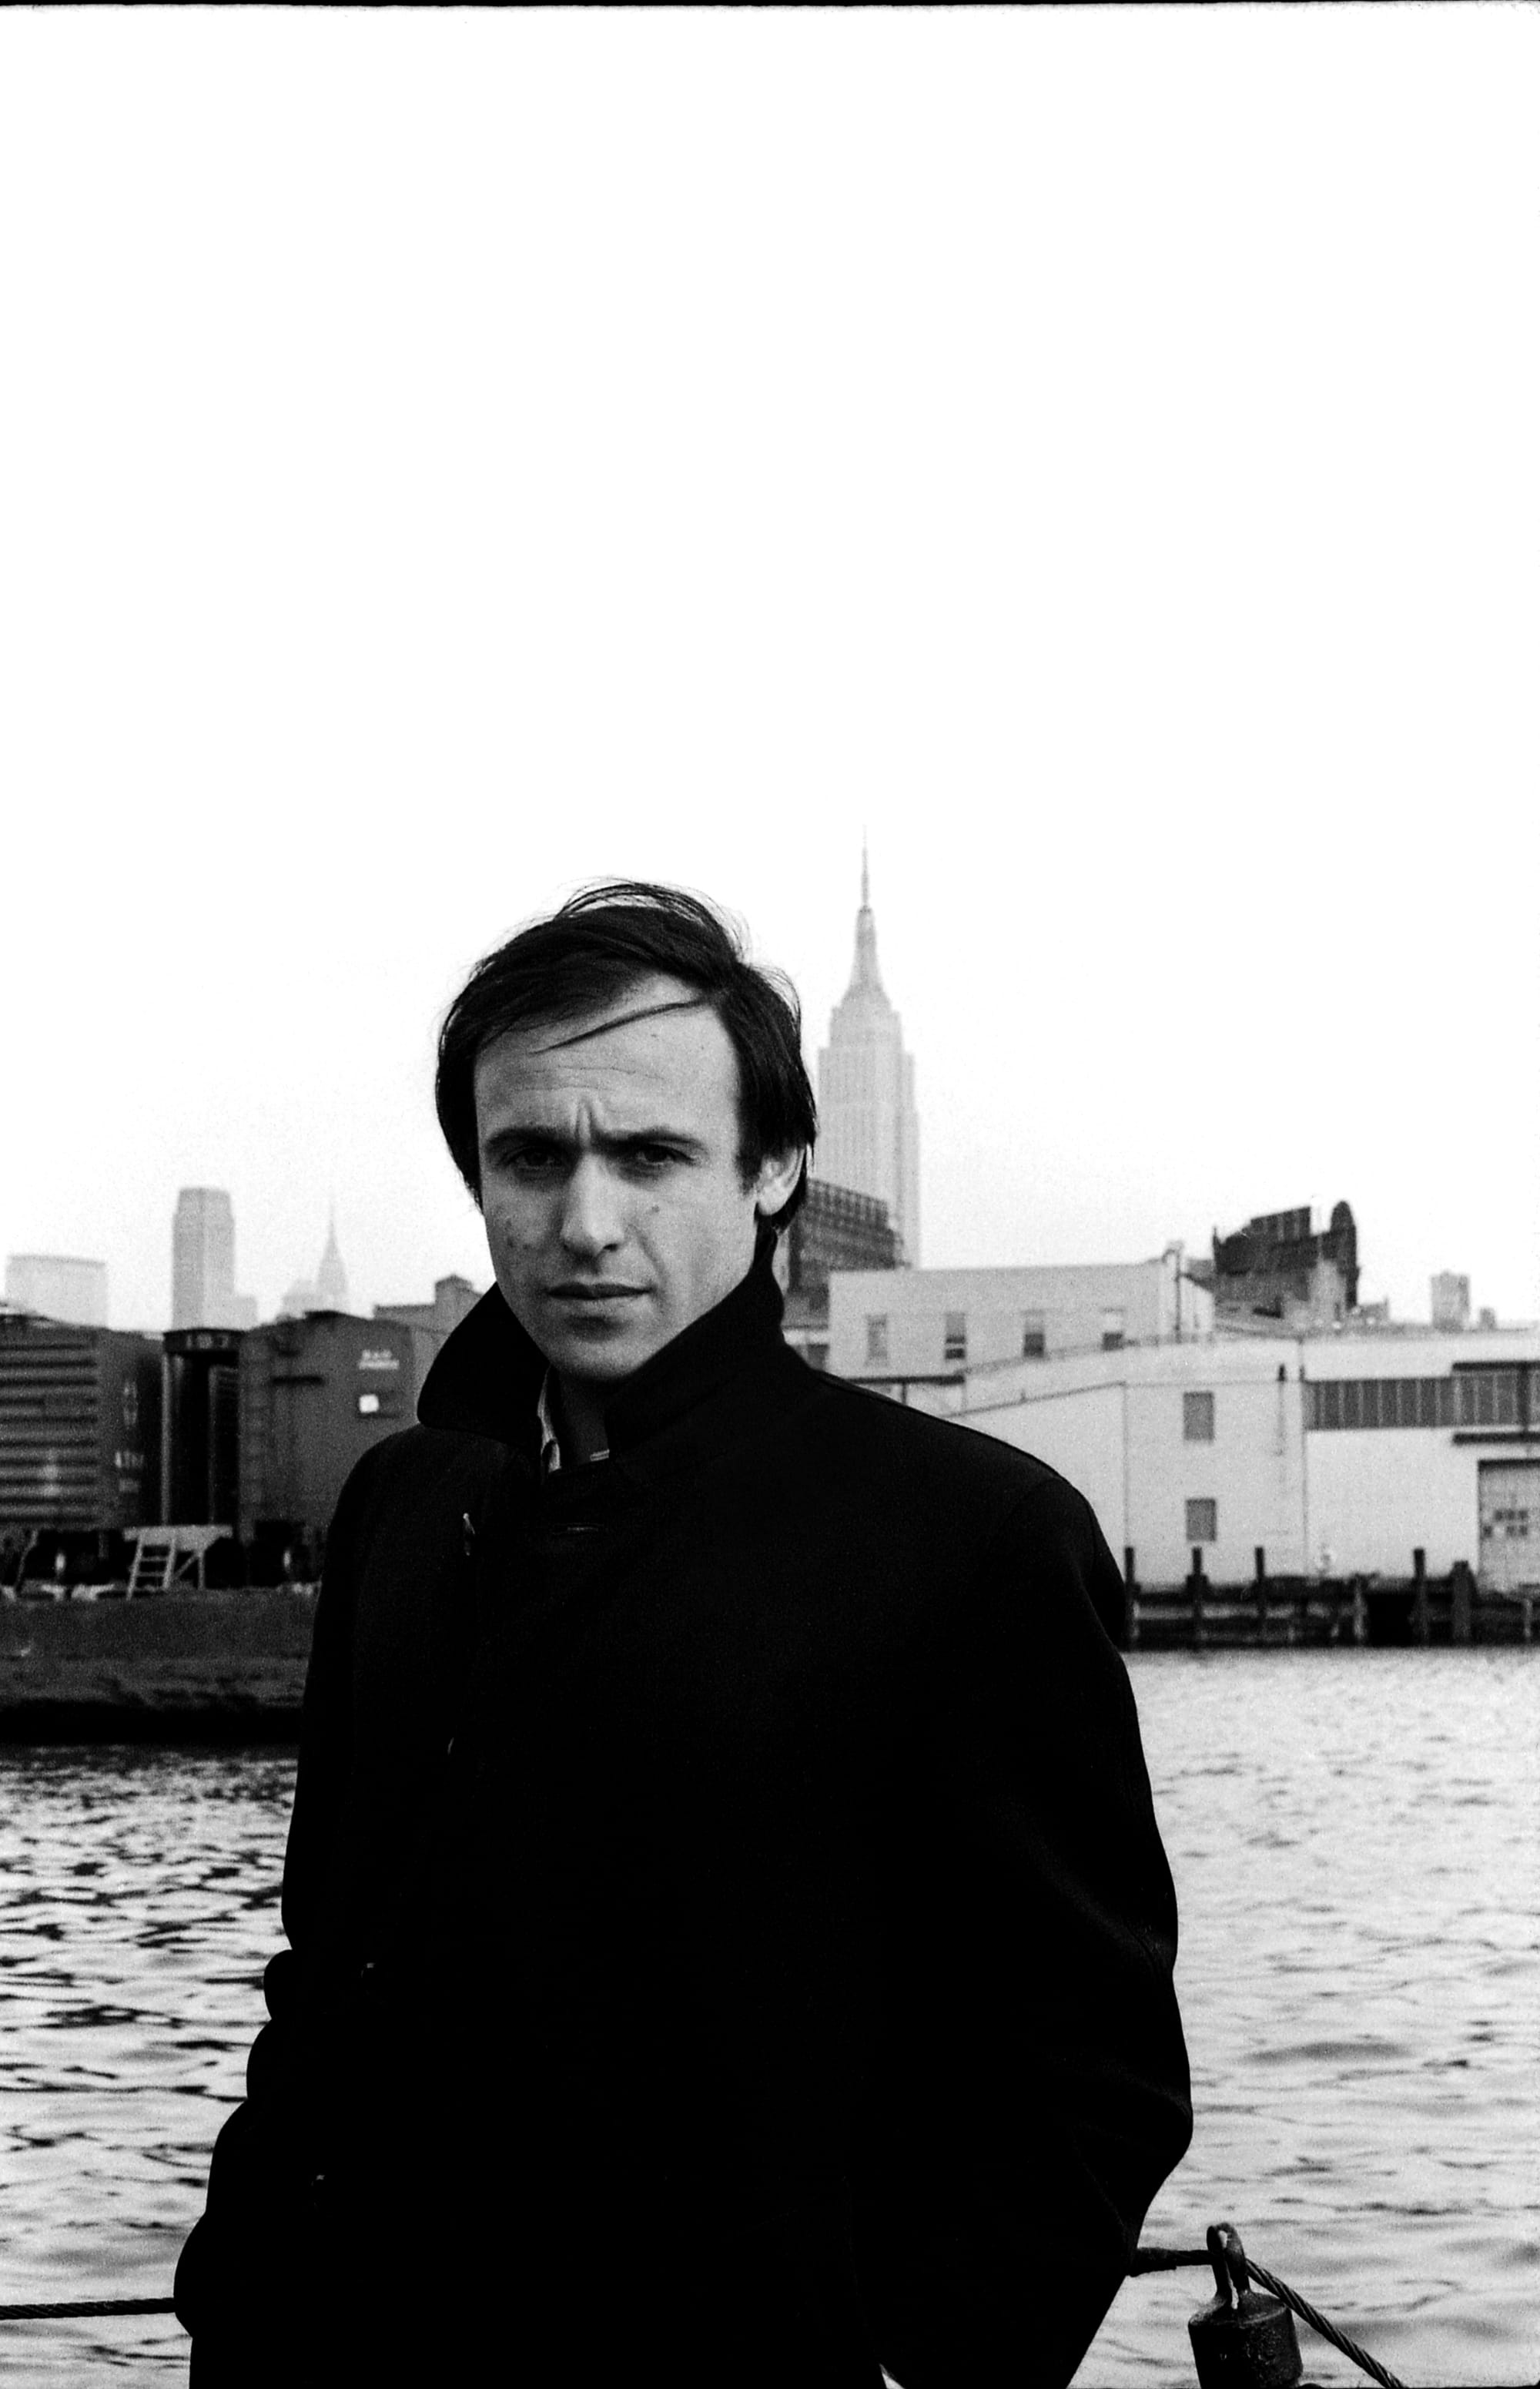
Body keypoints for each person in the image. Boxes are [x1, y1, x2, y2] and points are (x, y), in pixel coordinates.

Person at [176, 881, 1191, 2388]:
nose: (585, 1224)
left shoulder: (969, 1537)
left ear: (773, 1167)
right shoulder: (403, 1502)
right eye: (531, 1157)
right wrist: (241, 2281)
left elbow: (1090, 2075)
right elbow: (330, 1955)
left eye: (650, 1156)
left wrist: (906, 2375)